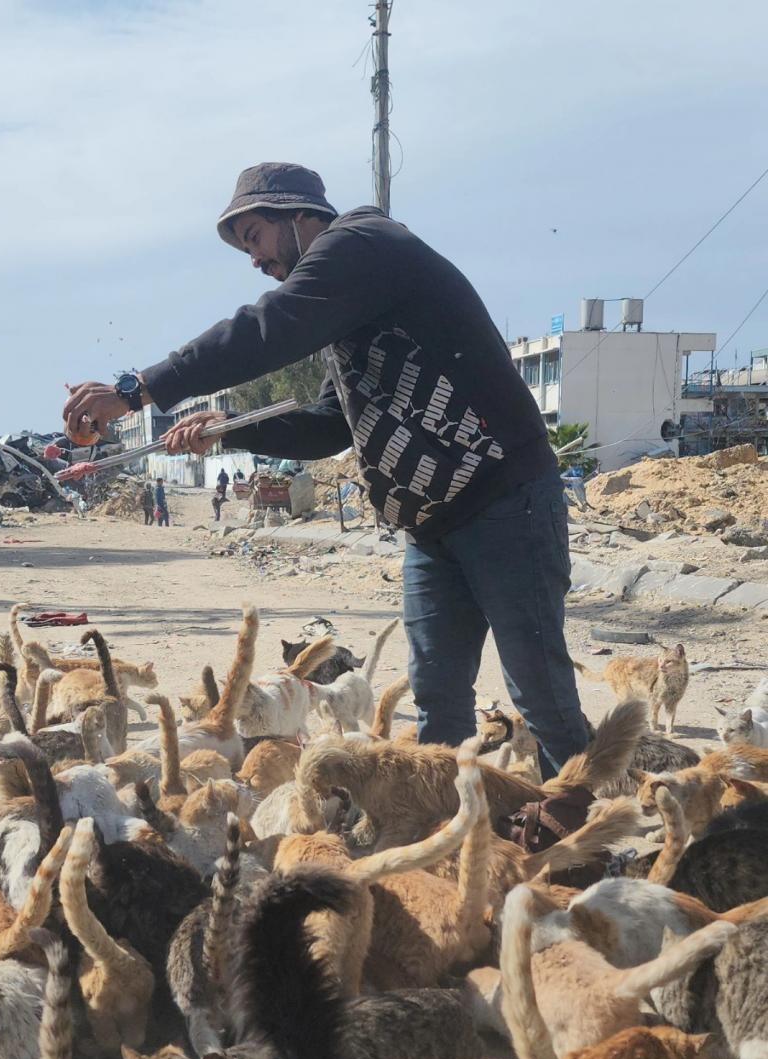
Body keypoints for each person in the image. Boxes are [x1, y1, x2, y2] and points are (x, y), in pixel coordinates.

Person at [63, 162, 587, 778]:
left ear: (296, 214)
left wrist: (138, 388)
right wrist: (228, 426)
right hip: (433, 526)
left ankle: (581, 833)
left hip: (505, 501)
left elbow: (267, 328)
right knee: (439, 701)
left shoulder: (363, 244)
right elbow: (325, 425)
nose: (255, 261)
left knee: (540, 693)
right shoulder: (353, 314)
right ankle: (448, 832)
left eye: (255, 237)